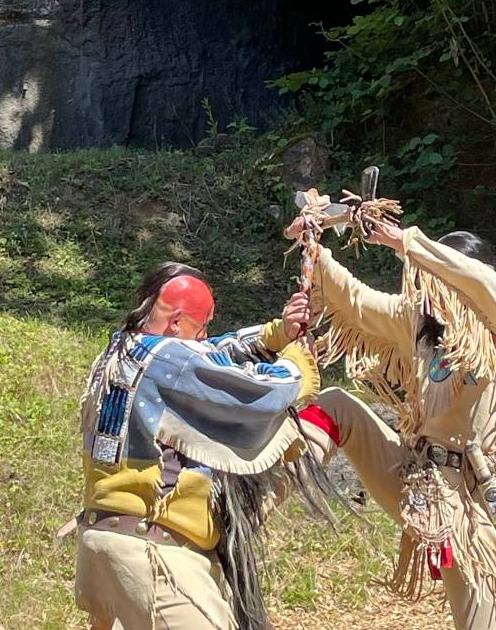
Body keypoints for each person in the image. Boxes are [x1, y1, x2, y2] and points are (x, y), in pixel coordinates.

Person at [287, 217, 496, 630]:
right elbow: (355, 300)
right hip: (417, 478)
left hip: (473, 501)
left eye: (443, 276)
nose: (433, 292)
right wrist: (315, 243)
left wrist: (404, 241)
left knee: (478, 621)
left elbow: (488, 288)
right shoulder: (421, 324)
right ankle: (266, 487)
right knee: (334, 405)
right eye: (429, 281)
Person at [71, 262, 332, 630]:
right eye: (201, 325)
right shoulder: (168, 357)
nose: (205, 334)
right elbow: (264, 394)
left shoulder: (122, 350)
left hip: (105, 547)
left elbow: (208, 352)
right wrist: (297, 359)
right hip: (154, 558)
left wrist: (277, 333)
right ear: (176, 323)